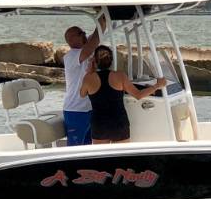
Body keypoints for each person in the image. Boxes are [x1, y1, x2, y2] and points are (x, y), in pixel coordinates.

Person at [79, 45, 167, 144]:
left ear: (94, 61)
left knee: (101, 158)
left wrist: (90, 71)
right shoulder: (120, 76)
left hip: (99, 124)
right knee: (123, 158)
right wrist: (156, 86)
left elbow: (82, 94)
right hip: (119, 122)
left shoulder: (88, 78)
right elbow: (138, 95)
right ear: (111, 60)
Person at [62, 17, 104, 146]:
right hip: (75, 110)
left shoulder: (82, 51)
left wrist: (102, 23)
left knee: (88, 146)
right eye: (81, 34)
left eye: (85, 33)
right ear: (71, 40)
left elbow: (95, 38)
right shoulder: (71, 56)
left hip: (89, 109)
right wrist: (100, 25)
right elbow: (92, 46)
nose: (85, 35)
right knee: (75, 148)